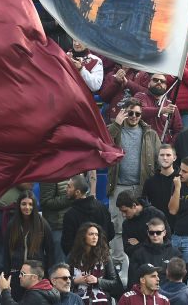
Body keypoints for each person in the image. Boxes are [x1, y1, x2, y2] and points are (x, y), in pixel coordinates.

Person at [107, 99, 162, 281]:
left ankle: (142, 262)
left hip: (141, 187)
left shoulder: (150, 133)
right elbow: (103, 141)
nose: (134, 117)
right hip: (118, 185)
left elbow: (159, 158)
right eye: (130, 113)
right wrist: (116, 124)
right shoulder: (115, 129)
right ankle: (118, 263)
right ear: (123, 113)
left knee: (143, 225)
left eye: (137, 114)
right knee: (117, 225)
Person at [6, 191, 57, 292]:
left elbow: (50, 251)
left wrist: (48, 274)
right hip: (17, 274)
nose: (27, 207)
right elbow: (6, 251)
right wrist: (6, 273)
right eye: (24, 204)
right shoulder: (12, 225)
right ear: (19, 205)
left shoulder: (42, 224)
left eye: (30, 204)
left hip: (36, 274)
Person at [67, 224, 121, 305]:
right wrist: (75, 281)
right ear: (83, 236)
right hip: (77, 295)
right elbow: (63, 279)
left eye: (96, 234)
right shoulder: (72, 256)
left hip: (101, 296)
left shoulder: (105, 256)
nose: (95, 237)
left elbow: (115, 283)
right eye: (91, 234)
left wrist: (97, 281)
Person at [61, 176, 113, 256]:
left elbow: (67, 244)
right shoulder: (102, 208)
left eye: (69, 186)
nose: (66, 189)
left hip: (79, 259)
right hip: (101, 256)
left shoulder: (70, 215)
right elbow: (111, 233)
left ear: (77, 192)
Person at [114, 193, 166, 265]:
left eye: (125, 211)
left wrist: (139, 244)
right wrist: (150, 243)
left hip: (158, 261)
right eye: (121, 212)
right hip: (138, 264)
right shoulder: (126, 224)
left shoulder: (155, 214)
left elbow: (165, 242)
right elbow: (128, 249)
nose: (123, 215)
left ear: (134, 206)